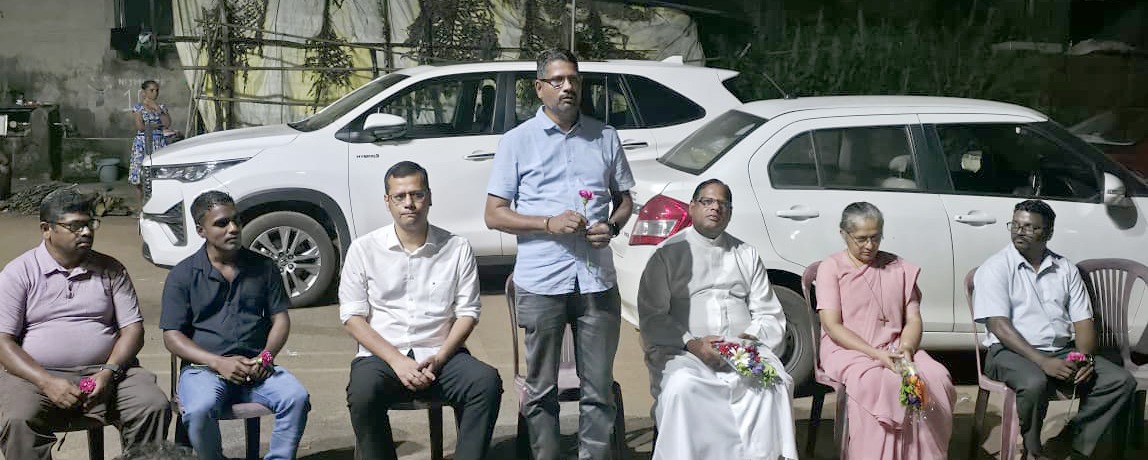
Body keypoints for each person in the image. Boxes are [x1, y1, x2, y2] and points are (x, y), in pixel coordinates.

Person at [485, 47, 634, 460]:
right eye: (558, 80)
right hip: (542, 281)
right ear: (539, 88)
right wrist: (547, 223)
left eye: (574, 79)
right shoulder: (516, 142)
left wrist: (613, 226)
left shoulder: (604, 136)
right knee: (541, 392)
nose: (568, 86)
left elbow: (625, 200)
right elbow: (493, 215)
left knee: (598, 391)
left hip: (596, 281)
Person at [343, 161, 502, 460]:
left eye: (416, 195)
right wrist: (398, 361)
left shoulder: (457, 247)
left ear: (429, 197)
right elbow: (352, 318)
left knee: (485, 381)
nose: (409, 204)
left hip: (442, 354)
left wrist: (440, 358)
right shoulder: (364, 249)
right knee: (362, 392)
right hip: (383, 357)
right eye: (400, 197)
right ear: (387, 202)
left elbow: (468, 312)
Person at [0, 188, 170, 459]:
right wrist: (47, 383)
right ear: (47, 229)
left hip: (107, 371)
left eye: (90, 224)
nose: (87, 232)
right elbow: (3, 343)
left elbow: (133, 330)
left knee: (151, 404)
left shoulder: (111, 269)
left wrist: (108, 372)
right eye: (75, 226)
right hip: (36, 376)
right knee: (19, 419)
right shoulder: (19, 273)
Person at [638, 179, 799, 460]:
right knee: (683, 387)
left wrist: (743, 343)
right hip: (686, 353)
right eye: (708, 202)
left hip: (741, 352)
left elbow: (769, 314)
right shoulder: (668, 253)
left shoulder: (746, 254)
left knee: (774, 384)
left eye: (723, 204)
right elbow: (652, 317)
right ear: (692, 207)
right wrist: (693, 344)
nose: (715, 208)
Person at [974, 199, 1136, 459]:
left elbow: (1083, 322)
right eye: (1015, 225)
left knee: (1120, 380)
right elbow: (998, 325)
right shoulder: (996, 267)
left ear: (1047, 233)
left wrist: (1085, 359)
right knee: (1034, 381)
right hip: (1008, 352)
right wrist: (1042, 361)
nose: (1019, 231)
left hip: (1060, 350)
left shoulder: (1065, 269)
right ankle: (1033, 449)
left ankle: (1074, 442)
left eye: (1029, 227)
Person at [160, 191, 310, 460]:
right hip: (203, 370)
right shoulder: (182, 275)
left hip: (257, 367)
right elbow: (172, 337)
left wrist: (266, 357)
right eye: (222, 223)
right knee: (198, 410)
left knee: (296, 397)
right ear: (200, 230)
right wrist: (218, 362)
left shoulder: (263, 267)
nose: (233, 228)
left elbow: (280, 318)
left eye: (236, 220)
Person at [816, 202, 955, 460]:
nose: (869, 246)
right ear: (844, 234)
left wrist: (906, 348)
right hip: (848, 349)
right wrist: (875, 355)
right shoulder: (831, 268)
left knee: (937, 377)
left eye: (875, 237)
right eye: (861, 239)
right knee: (882, 382)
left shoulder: (898, 267)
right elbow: (832, 326)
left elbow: (913, 318)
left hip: (895, 347)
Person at [129, 80, 172, 197]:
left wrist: (158, 109)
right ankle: (141, 208)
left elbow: (167, 123)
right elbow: (140, 126)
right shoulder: (138, 107)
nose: (155, 93)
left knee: (159, 173)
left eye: (157, 90)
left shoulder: (161, 107)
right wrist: (156, 126)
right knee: (139, 174)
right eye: (151, 90)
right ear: (144, 92)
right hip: (142, 143)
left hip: (158, 142)